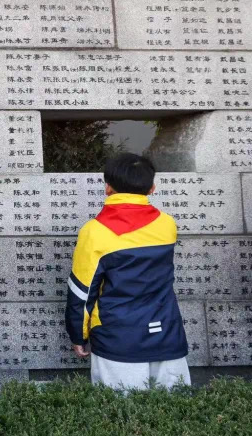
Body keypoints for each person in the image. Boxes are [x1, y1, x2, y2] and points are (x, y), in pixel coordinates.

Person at [64, 153, 189, 390]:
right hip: (167, 334)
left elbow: (82, 291)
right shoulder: (167, 224)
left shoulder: (94, 231)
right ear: (152, 188)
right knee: (175, 407)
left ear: (108, 188)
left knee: (121, 410)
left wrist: (78, 335)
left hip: (117, 340)